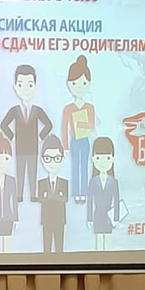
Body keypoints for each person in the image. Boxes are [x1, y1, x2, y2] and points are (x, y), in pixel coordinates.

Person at [0, 64, 53, 202]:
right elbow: (4, 125)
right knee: (20, 171)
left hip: (33, 148)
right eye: (20, 84)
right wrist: (12, 137)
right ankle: (19, 195)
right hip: (20, 147)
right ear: (15, 86)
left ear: (35, 86)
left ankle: (34, 194)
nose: (25, 89)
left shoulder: (37, 110)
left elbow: (48, 125)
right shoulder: (15, 110)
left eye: (29, 84)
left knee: (32, 171)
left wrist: (40, 137)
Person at [61, 56, 96, 204]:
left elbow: (92, 124)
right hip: (74, 140)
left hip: (85, 140)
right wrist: (65, 146)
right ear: (69, 84)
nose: (79, 87)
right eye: (75, 83)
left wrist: (80, 124)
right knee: (75, 167)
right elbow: (64, 127)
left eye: (83, 83)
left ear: (88, 84)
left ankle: (84, 193)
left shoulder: (89, 107)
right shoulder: (68, 108)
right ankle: (76, 193)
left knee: (84, 167)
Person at [87, 135, 120, 251]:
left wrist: (116, 218)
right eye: (98, 158)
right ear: (93, 159)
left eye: (107, 158)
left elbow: (116, 201)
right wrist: (89, 218)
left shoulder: (114, 182)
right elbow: (90, 201)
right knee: (99, 239)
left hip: (109, 215)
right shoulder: (93, 181)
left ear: (112, 159)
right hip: (97, 215)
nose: (103, 162)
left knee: (108, 240)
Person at [36, 135, 68, 254]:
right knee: (47, 248)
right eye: (48, 158)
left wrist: (49, 196)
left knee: (59, 248)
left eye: (57, 158)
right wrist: (55, 196)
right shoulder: (41, 183)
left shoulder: (64, 182)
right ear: (42, 159)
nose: (53, 163)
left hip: (60, 220)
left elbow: (64, 198)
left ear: (62, 159)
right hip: (46, 220)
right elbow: (41, 199)